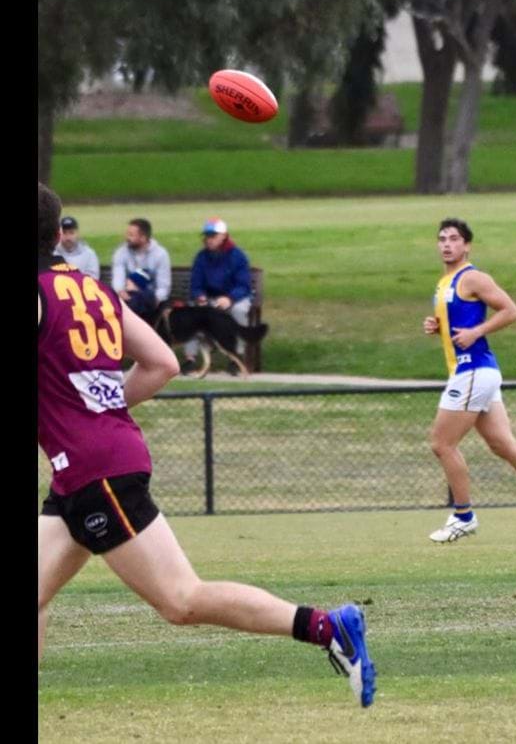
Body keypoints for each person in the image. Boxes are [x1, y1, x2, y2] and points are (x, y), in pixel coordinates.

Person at [37, 183, 376, 707]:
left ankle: (328, 626)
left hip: (95, 470)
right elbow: (164, 364)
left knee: (181, 600)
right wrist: (100, 407)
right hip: (90, 464)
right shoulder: (92, 288)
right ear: (60, 234)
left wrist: (86, 414)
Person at [422, 218, 516, 544]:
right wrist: (438, 327)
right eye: (442, 238)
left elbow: (510, 310)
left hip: (473, 370)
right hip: (476, 373)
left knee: (441, 443)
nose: (447, 244)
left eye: (454, 239)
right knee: (501, 443)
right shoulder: (445, 282)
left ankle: (464, 516)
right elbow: (457, 322)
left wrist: (477, 332)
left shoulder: (472, 277)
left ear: (467, 245)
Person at [184, 218, 253, 375]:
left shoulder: (238, 256)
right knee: (191, 313)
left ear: (224, 236)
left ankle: (237, 356)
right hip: (210, 298)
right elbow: (196, 285)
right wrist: (200, 296)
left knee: (239, 311)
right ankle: (190, 358)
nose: (209, 239)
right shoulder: (201, 257)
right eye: (207, 236)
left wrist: (229, 298)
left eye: (213, 236)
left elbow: (243, 285)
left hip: (234, 297)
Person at [111, 217, 172, 309]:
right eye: (127, 234)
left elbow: (163, 286)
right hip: (128, 299)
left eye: (131, 235)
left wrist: (155, 299)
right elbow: (118, 278)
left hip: (152, 301)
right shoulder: (121, 253)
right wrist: (120, 292)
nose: (127, 238)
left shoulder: (160, 254)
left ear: (143, 238)